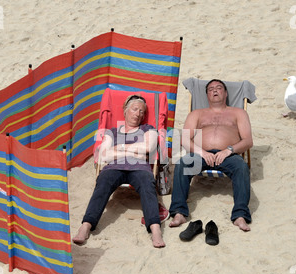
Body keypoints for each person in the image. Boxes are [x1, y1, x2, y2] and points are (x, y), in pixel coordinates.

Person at [73, 94, 165, 248]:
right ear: (125, 110)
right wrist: (134, 152)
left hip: (139, 167)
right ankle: (86, 225)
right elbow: (104, 155)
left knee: (147, 184)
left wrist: (119, 148)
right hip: (114, 167)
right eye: (135, 109)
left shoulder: (148, 129)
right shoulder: (112, 132)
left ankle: (155, 229)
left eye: (142, 112)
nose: (138, 114)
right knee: (103, 181)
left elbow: (148, 149)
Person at [169, 79, 253, 231]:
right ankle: (179, 212)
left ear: (225, 93)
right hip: (201, 153)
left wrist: (229, 150)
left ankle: (240, 215)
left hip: (228, 155)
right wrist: (202, 152)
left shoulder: (238, 113)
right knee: (182, 164)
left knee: (241, 166)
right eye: (211, 89)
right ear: (207, 94)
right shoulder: (197, 114)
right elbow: (184, 139)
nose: (215, 90)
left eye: (219, 88)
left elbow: (248, 141)